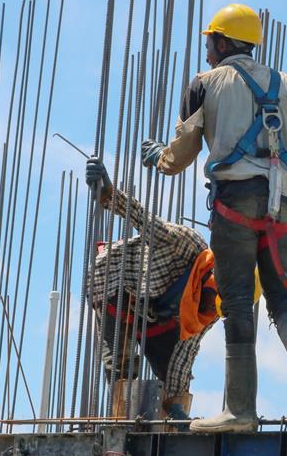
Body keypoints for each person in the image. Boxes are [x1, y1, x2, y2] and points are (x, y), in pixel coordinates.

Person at [140, 3, 287, 433]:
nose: (207, 52)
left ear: (223, 42)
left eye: (210, 42)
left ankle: (240, 411)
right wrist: (275, 174)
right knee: (284, 297)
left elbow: (183, 152)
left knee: (239, 305)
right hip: (280, 207)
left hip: (233, 207)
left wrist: (159, 159)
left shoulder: (204, 84)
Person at [84, 157, 227, 422]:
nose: (208, 309)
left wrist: (177, 405)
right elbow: (145, 221)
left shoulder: (212, 310)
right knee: (120, 366)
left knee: (170, 376)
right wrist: (108, 194)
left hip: (155, 312)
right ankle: (121, 427)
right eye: (210, 301)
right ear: (212, 276)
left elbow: (185, 353)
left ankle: (167, 424)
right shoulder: (186, 246)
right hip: (118, 285)